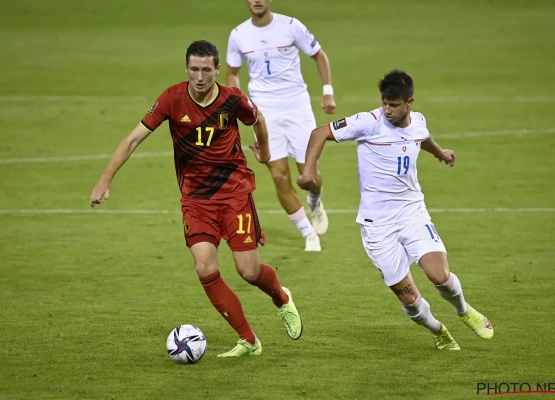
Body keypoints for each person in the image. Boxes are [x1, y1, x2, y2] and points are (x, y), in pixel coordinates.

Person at [89, 40, 303, 358]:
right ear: (186, 68)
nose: (199, 77)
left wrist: (266, 152)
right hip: (196, 199)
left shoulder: (233, 99)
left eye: (206, 70)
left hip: (234, 194)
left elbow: (257, 119)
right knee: (204, 267)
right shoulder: (171, 99)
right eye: (194, 69)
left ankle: (281, 297)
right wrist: (106, 177)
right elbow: (133, 138)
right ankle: (249, 340)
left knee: (248, 271)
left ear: (217, 69)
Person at [297, 70, 493, 350]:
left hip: (412, 213)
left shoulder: (419, 121)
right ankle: (438, 331)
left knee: (440, 276)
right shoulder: (368, 122)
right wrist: (307, 172)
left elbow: (422, 137)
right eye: (384, 102)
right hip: (377, 226)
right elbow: (319, 133)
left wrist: (440, 153)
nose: (387, 109)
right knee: (410, 300)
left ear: (409, 102)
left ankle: (464, 311)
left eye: (394, 104)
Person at [226, 0, 336, 252]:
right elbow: (232, 72)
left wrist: (327, 92)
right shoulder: (239, 34)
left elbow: (319, 55)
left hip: (297, 108)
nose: (257, 1)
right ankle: (308, 233)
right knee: (278, 176)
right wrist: (240, 102)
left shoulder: (291, 26)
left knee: (309, 175)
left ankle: (315, 201)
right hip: (264, 112)